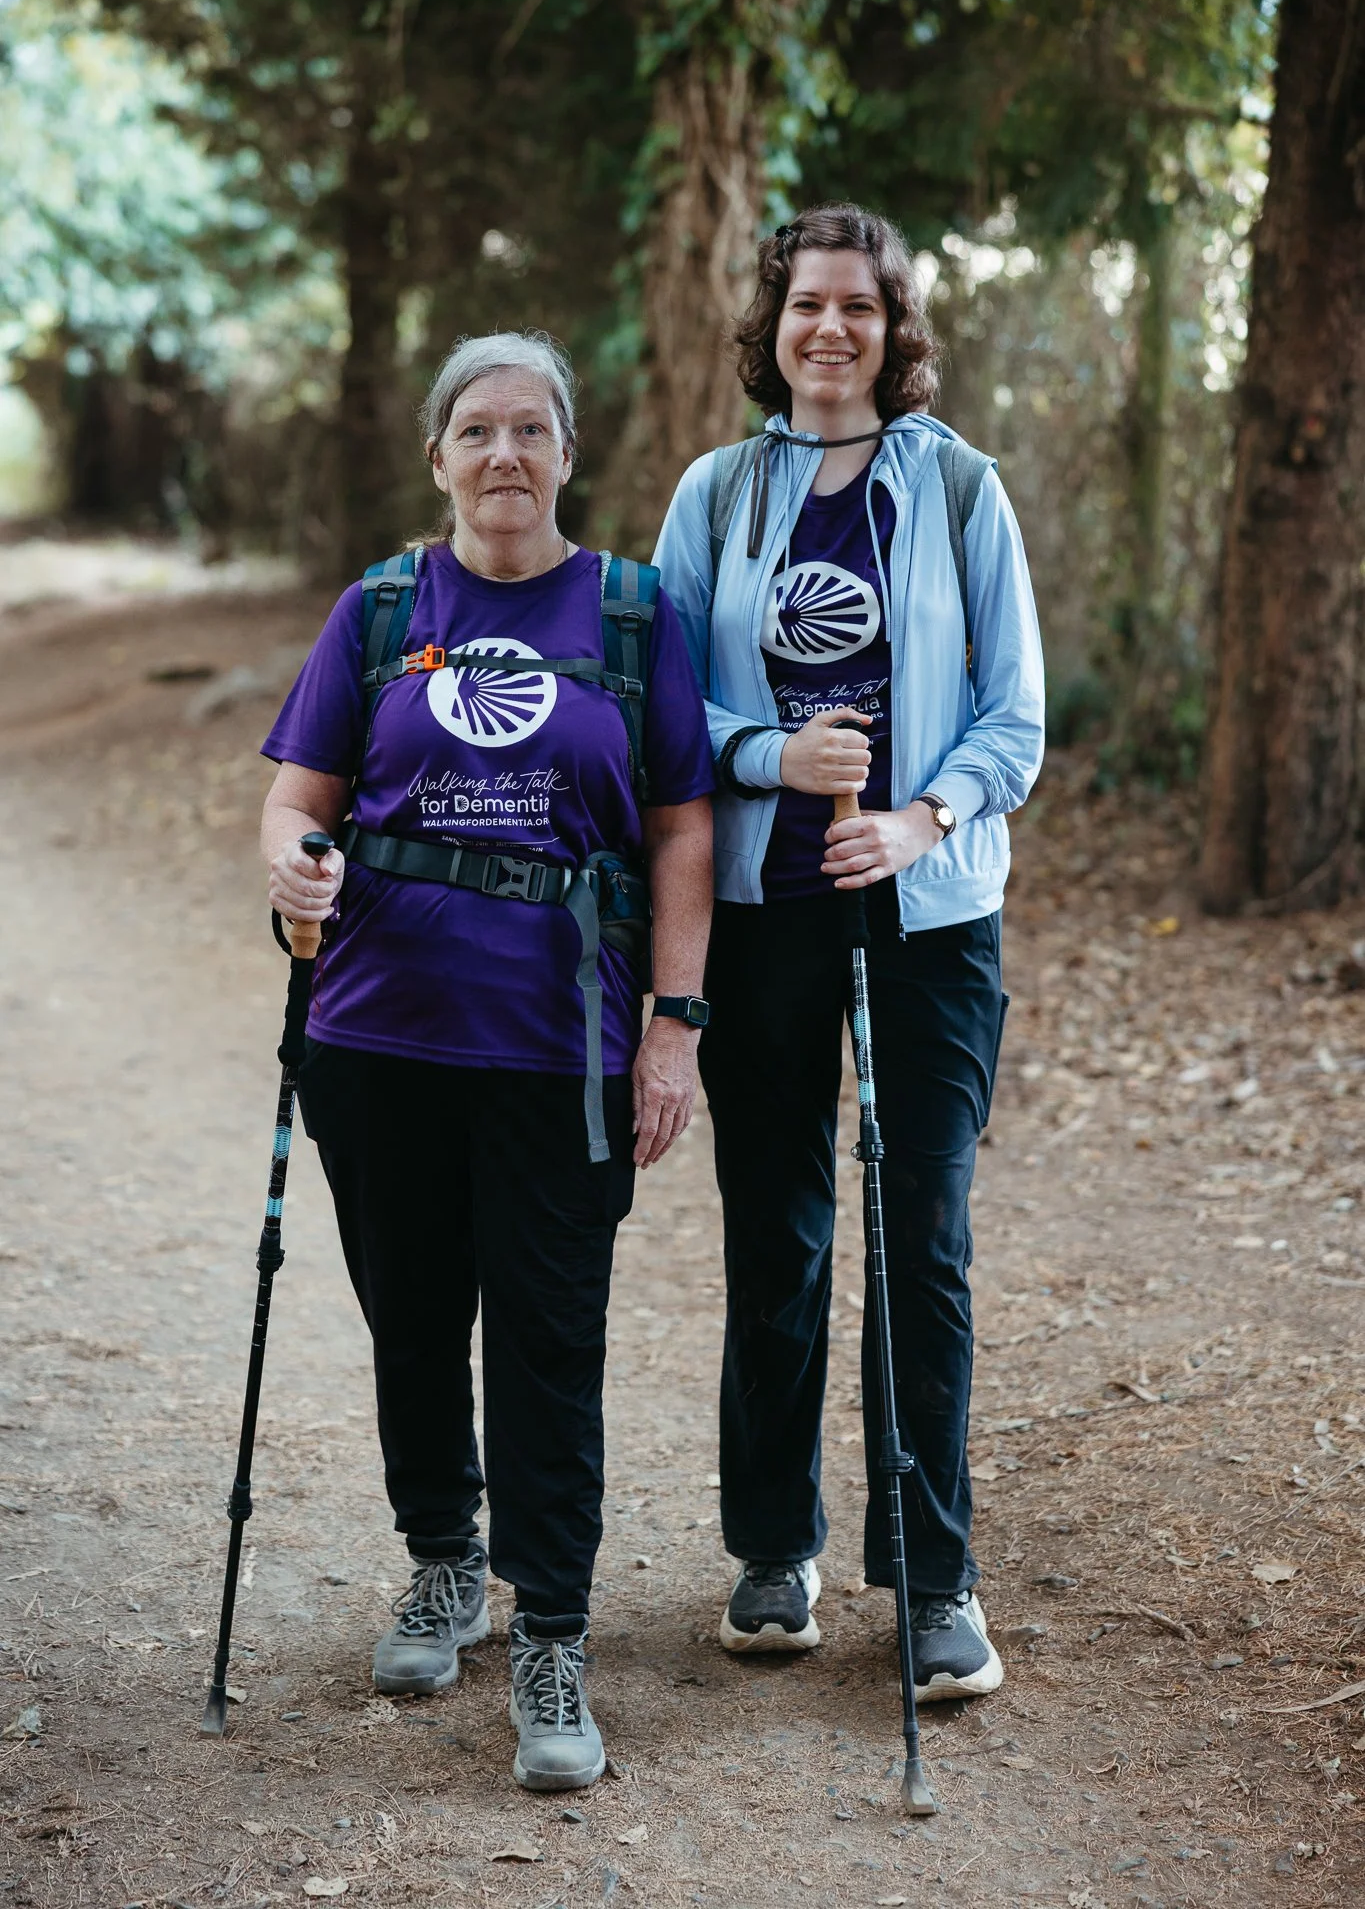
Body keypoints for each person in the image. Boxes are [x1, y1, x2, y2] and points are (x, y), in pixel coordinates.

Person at [259, 331, 713, 1791]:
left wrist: (675, 1023)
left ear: (569, 454)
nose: (504, 455)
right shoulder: (383, 607)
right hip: (375, 1037)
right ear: (438, 456)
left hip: (559, 1052)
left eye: (532, 429)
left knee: (545, 1335)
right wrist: (294, 874)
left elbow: (683, 829)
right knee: (410, 1317)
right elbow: (298, 798)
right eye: (477, 431)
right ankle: (445, 1563)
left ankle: (553, 1632)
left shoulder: (636, 617)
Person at [653, 203, 1044, 1700]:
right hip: (765, 915)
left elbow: (1016, 714)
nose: (832, 330)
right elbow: (674, 716)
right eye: (808, 305)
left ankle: (935, 1580)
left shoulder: (958, 488)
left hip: (929, 914)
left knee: (921, 1241)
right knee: (780, 1229)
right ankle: (774, 1549)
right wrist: (772, 755)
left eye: (860, 309)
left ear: (894, 332)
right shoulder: (719, 493)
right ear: (774, 325)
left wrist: (918, 817)